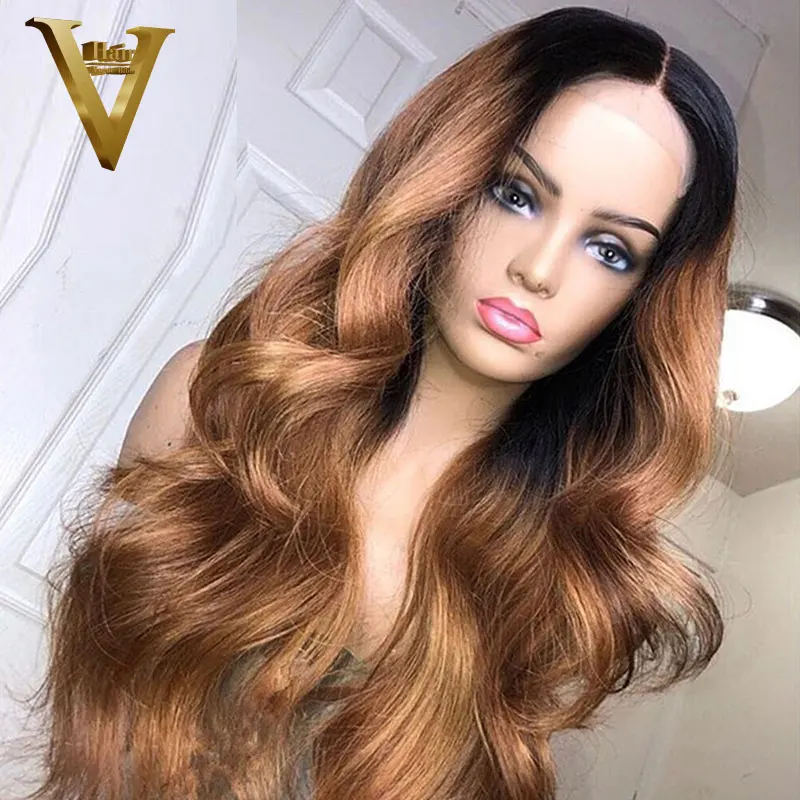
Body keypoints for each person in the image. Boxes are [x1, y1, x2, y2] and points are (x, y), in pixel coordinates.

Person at [19, 6, 739, 799]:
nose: (538, 270)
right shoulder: (215, 407)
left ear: (641, 300)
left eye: (609, 249)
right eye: (516, 194)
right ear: (449, 176)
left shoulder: (552, 592)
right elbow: (96, 703)